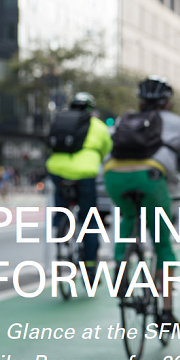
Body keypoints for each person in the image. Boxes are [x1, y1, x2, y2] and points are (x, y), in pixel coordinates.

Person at [104, 76, 180, 330]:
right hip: (150, 178)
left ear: (140, 101)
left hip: (113, 175)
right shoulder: (178, 124)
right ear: (168, 103)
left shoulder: (125, 121)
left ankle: (121, 267)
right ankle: (167, 313)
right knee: (161, 242)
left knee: (128, 218)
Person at [46, 92, 112, 282]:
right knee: (89, 220)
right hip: (85, 174)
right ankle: (90, 268)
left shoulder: (60, 121)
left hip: (57, 171)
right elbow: (106, 150)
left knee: (62, 205)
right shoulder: (98, 126)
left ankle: (61, 228)